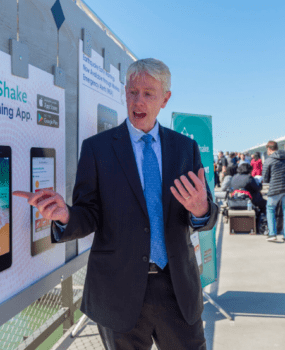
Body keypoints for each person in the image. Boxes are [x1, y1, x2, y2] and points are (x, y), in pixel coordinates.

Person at [14, 58, 218, 350]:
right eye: (132, 92)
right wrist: (64, 216)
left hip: (177, 289)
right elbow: (88, 214)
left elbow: (206, 214)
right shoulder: (97, 149)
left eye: (148, 93)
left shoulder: (185, 148)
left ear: (165, 99)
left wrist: (201, 210)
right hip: (116, 291)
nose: (138, 100)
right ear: (124, 92)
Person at [262, 140, 285, 243]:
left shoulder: (269, 160)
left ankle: (272, 234)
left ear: (269, 149)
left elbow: (265, 178)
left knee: (270, 209)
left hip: (275, 189)